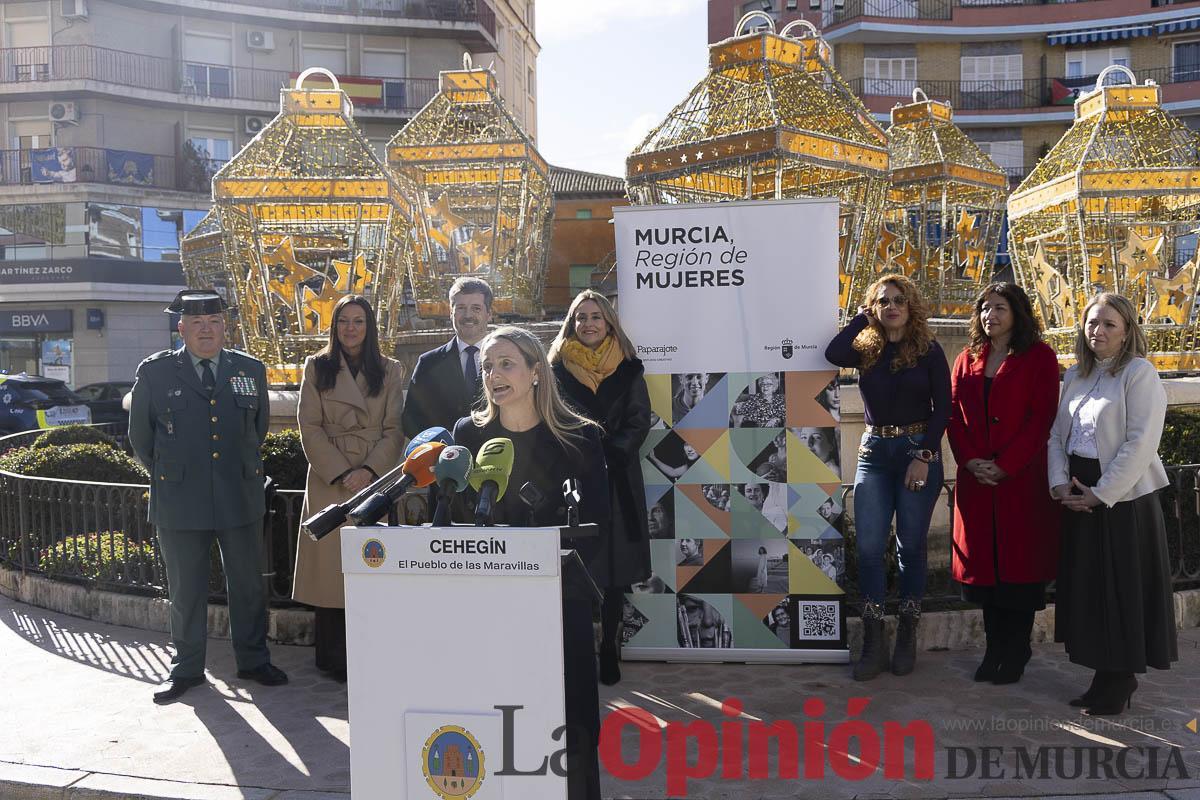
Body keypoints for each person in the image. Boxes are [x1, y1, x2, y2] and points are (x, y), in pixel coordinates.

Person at [451, 325, 609, 800]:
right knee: (497, 719)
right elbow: (455, 517)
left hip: (559, 603)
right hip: (489, 607)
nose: (494, 375)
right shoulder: (468, 435)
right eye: (487, 367)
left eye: (506, 364)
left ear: (536, 372)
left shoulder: (580, 438)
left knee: (569, 721)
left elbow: (598, 526)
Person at [128, 289, 286, 704]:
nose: (206, 330)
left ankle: (253, 660)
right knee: (186, 591)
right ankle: (186, 669)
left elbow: (258, 429)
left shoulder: (249, 369)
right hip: (180, 500)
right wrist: (174, 475)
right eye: (197, 323)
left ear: (224, 327)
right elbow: (141, 437)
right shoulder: (156, 373)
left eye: (214, 321)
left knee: (248, 586)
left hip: (239, 495)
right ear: (181, 329)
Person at [1048, 293, 1177, 716]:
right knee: (1090, 589)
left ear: (1126, 332)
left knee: (1120, 591)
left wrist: (1101, 493)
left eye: (1108, 324)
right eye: (1091, 322)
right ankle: (1103, 675)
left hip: (1124, 500)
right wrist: (1059, 485)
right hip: (1078, 493)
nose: (1098, 331)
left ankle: (1120, 678)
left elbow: (1141, 443)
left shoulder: (1139, 374)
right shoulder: (1076, 374)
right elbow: (1057, 436)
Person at [825, 274, 950, 681]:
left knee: (910, 546)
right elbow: (833, 352)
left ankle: (907, 635)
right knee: (868, 548)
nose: (892, 306)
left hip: (917, 452)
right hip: (874, 454)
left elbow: (943, 408)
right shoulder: (866, 350)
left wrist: (925, 456)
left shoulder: (929, 350)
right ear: (873, 307)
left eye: (899, 300)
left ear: (911, 306)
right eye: (883, 301)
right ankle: (873, 642)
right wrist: (862, 320)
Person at [947, 283, 1059, 686]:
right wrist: (970, 461)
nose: (989, 315)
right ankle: (994, 649)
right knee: (987, 575)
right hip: (977, 482)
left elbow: (1041, 419)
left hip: (1021, 482)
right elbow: (953, 415)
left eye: (999, 308)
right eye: (984, 308)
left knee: (1018, 573)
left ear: (1017, 314)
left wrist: (1006, 465)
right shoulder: (967, 358)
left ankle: (1016, 650)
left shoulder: (1040, 357)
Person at [293, 295, 404, 682]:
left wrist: (369, 470)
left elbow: (395, 428)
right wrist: (343, 472)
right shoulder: (316, 366)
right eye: (343, 321)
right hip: (331, 479)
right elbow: (309, 426)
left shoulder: (390, 369)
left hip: (374, 480)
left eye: (358, 321)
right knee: (330, 572)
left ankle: (372, 650)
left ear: (369, 327)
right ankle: (332, 657)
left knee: (372, 562)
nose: (351, 328)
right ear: (334, 326)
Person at [550, 290, 652, 686]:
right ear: (571, 324)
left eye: (595, 316)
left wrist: (611, 453)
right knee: (573, 566)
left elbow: (639, 420)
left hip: (616, 478)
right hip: (570, 477)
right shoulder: (555, 368)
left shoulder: (629, 368)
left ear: (609, 323)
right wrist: (578, 455)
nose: (588, 323)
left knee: (613, 570)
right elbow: (550, 418)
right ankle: (575, 650)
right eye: (580, 317)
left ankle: (609, 646)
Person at [401, 277, 492, 439]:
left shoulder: (506, 361)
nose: (468, 315)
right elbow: (410, 421)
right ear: (451, 313)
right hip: (444, 452)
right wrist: (441, 443)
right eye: (461, 308)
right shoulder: (429, 363)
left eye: (476, 308)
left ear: (489, 314)